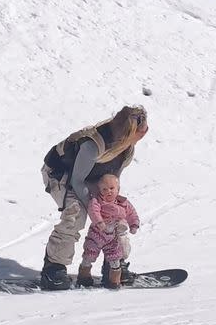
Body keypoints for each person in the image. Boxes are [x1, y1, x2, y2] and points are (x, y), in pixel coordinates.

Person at [40, 105, 148, 290]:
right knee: (76, 215)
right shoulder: (93, 145)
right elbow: (77, 181)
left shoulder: (126, 149)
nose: (145, 134)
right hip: (62, 176)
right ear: (130, 133)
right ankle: (53, 268)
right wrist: (94, 209)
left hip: (94, 179)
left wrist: (110, 207)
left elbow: (113, 178)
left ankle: (114, 264)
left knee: (115, 214)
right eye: (143, 130)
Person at [77, 174, 140, 289]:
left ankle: (114, 281)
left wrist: (134, 224)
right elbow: (93, 211)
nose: (108, 192)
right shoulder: (97, 201)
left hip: (112, 237)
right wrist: (99, 222)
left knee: (115, 258)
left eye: (111, 188)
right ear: (100, 191)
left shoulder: (124, 203)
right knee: (89, 255)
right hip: (97, 234)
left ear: (118, 189)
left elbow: (132, 214)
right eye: (104, 189)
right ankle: (84, 276)